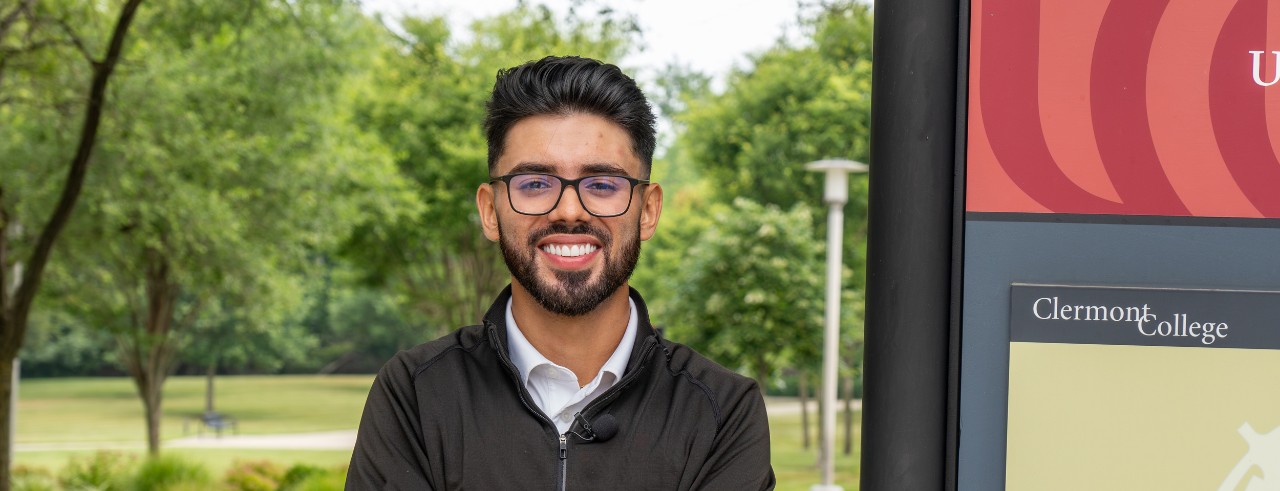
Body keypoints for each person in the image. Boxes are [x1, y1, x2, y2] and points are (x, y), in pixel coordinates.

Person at [346, 56, 775, 490]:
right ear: (490, 211)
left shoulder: (722, 411)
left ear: (648, 211)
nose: (569, 211)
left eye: (603, 185)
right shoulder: (415, 395)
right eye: (535, 183)